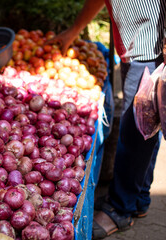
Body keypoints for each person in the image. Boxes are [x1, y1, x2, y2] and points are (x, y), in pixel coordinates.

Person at [48, 0, 166, 239]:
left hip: (150, 49)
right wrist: (74, 30)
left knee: (135, 129)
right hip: (134, 46)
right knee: (148, 123)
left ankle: (120, 210)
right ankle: (137, 197)